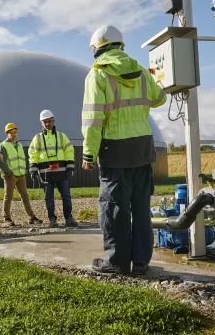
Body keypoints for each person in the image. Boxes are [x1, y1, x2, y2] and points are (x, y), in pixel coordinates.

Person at [82, 25, 167, 275]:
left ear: (97, 47)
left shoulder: (98, 74)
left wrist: (89, 153)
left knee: (114, 208)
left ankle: (117, 262)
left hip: (115, 149)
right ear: (120, 45)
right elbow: (160, 99)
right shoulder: (140, 70)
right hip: (143, 147)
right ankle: (141, 261)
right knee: (140, 207)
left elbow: (93, 120)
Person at [29, 110, 78, 228]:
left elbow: (69, 150)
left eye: (49, 121)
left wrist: (70, 166)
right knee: (48, 198)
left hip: (62, 171)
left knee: (66, 196)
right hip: (46, 173)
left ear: (53, 120)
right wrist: (33, 168)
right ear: (41, 123)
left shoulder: (62, 136)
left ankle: (68, 218)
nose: (47, 124)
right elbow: (33, 153)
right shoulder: (37, 138)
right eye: (45, 122)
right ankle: (52, 219)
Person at [0, 123, 43, 226]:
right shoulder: (3, 145)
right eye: (11, 133)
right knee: (8, 196)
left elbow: (22, 159)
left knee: (25, 196)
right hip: (11, 175)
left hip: (21, 174)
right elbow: (1, 162)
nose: (13, 134)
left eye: (15, 132)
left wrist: (25, 171)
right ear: (7, 133)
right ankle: (6, 218)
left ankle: (32, 217)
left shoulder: (19, 145)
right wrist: (8, 173)